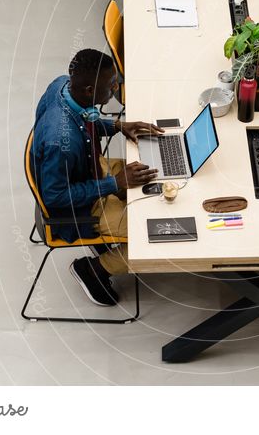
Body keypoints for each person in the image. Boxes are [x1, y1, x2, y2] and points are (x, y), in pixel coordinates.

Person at [31, 49, 162, 307]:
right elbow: (54, 196)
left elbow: (84, 120)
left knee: (153, 171)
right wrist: (115, 184)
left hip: (91, 170)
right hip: (82, 209)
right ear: (90, 90)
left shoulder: (63, 85)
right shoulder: (62, 142)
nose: (116, 88)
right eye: (112, 85)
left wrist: (117, 126)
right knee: (153, 232)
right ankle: (94, 270)